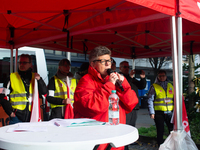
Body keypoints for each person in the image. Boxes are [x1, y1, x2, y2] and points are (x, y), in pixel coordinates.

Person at [73, 46, 138, 150]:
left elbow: (131, 104)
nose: (108, 64)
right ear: (93, 64)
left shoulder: (114, 81)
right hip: (98, 141)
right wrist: (109, 86)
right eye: (103, 61)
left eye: (109, 60)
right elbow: (91, 107)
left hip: (116, 139)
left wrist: (124, 86)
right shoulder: (86, 81)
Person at [0, 54, 48, 124]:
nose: (22, 65)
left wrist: (39, 80)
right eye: (20, 62)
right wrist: (11, 113)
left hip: (32, 116)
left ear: (30, 64)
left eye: (24, 63)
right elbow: (3, 97)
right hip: (16, 117)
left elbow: (45, 94)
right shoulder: (11, 78)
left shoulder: (35, 78)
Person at [119, 61, 146, 150]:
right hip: (125, 107)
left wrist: (143, 78)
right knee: (125, 127)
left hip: (134, 106)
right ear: (120, 68)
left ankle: (127, 145)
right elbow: (125, 87)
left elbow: (141, 86)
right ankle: (124, 146)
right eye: (125, 67)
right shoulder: (120, 77)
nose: (127, 68)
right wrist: (130, 77)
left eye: (128, 67)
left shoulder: (131, 78)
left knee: (131, 127)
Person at [147, 70, 174, 147]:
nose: (162, 77)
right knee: (160, 131)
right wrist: (152, 112)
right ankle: (160, 146)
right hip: (159, 112)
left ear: (166, 76)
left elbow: (174, 99)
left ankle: (171, 145)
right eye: (160, 76)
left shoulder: (170, 86)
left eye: (163, 76)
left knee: (172, 130)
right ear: (158, 77)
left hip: (170, 112)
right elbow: (150, 100)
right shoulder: (154, 86)